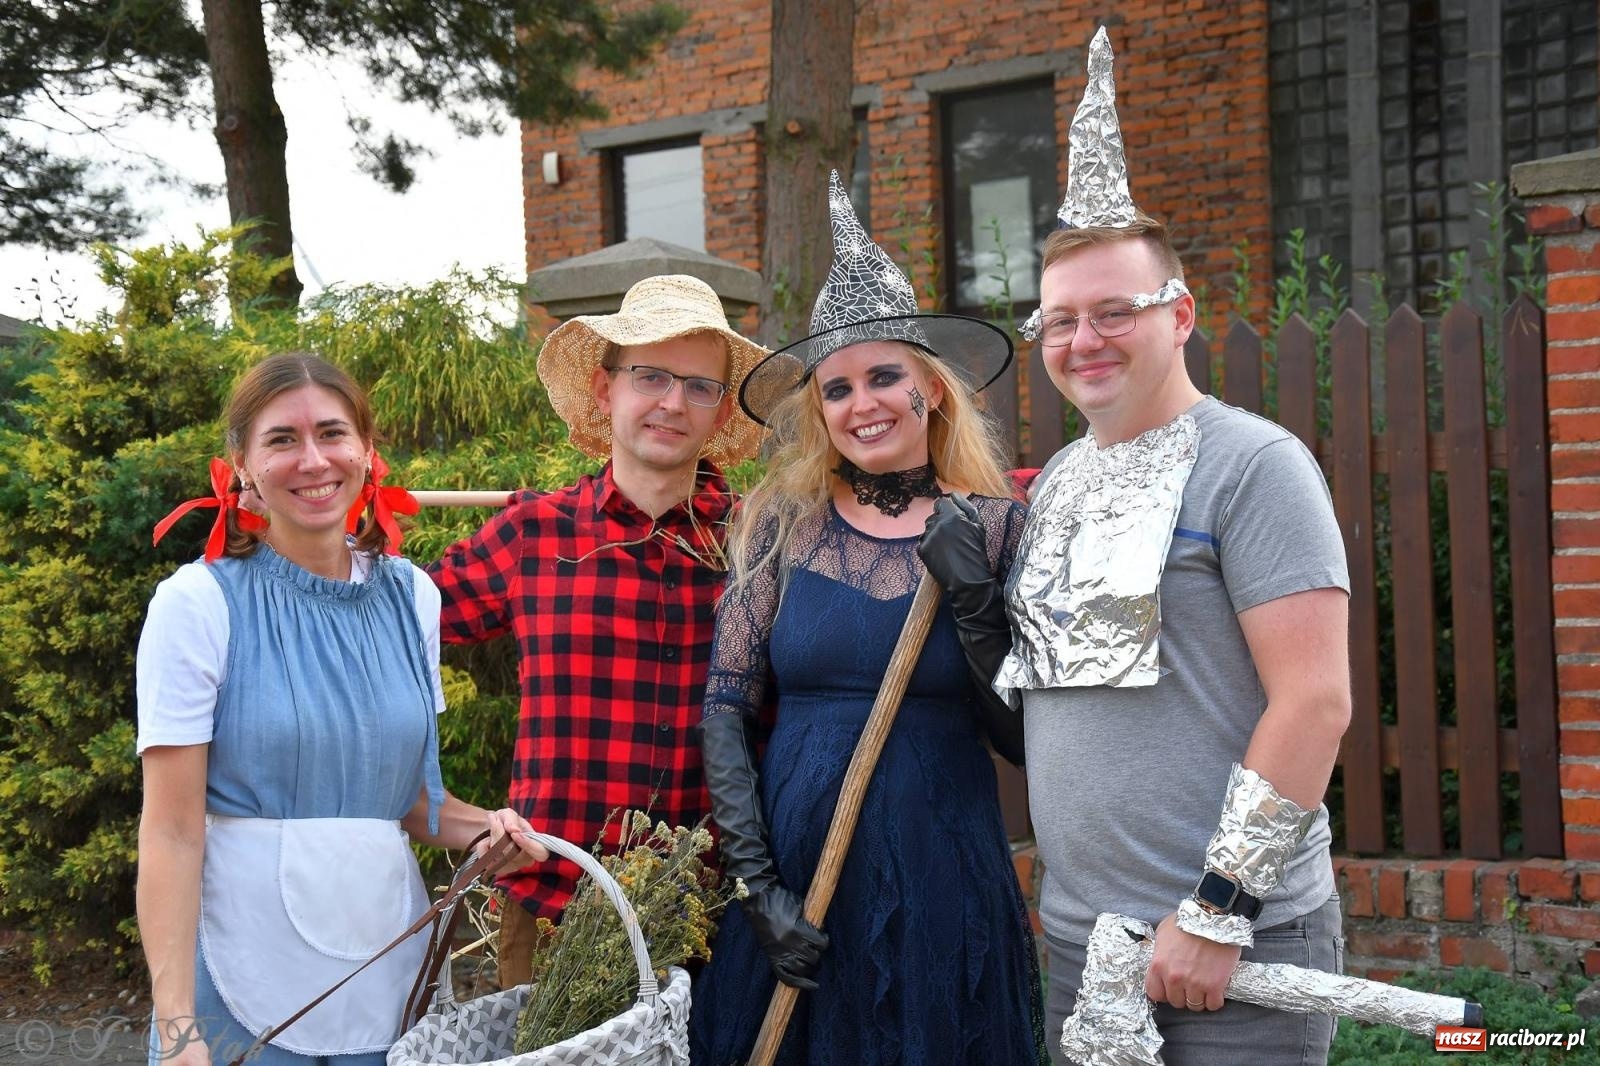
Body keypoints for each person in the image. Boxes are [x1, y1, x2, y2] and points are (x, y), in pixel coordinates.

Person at [998, 30, 1352, 1065]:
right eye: (1059, 319)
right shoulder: (1058, 478)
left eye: (1115, 310)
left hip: (1226, 946)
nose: (1082, 339)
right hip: (1082, 941)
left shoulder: (1255, 465)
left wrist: (1217, 906)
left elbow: (1314, 700)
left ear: (1180, 315)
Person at [689, 171, 1046, 1066]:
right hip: (800, 878)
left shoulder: (999, 527)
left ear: (930, 386)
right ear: (820, 412)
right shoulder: (778, 525)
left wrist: (972, 603)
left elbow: (1022, 738)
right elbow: (726, 710)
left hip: (944, 868)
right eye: (837, 389)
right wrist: (759, 887)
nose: (864, 404)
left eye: (884, 375)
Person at [136, 352, 548, 1066]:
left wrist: (489, 828)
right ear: (241, 464)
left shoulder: (412, 596)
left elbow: (406, 804)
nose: (313, 459)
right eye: (281, 440)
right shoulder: (197, 604)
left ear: (366, 453)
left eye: (332, 433)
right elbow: (171, 833)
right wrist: (178, 1031)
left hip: (384, 969)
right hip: (238, 981)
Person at [425, 274, 768, 988]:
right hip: (554, 904)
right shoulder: (534, 533)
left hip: (714, 914)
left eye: (698, 386)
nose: (673, 402)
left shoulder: (758, 541)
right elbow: (387, 633)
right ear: (606, 388)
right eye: (650, 377)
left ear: (719, 409)